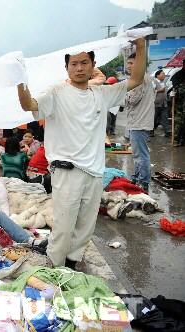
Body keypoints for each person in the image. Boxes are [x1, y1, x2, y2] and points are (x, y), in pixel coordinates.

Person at [17, 38, 147, 268]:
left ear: (92, 64)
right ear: (66, 67)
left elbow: (136, 79)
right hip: (66, 170)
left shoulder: (102, 94)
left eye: (84, 63)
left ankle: (72, 262)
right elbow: (29, 104)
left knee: (86, 224)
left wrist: (141, 46)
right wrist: (19, 80)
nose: (79, 68)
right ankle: (54, 266)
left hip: (95, 171)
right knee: (64, 225)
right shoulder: (56, 92)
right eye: (74, 64)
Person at [124, 52, 155, 192]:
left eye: (131, 63)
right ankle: (137, 177)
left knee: (141, 155)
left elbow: (131, 99)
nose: (128, 66)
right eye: (128, 63)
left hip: (139, 122)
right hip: (138, 122)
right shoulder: (142, 78)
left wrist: (121, 96)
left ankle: (143, 182)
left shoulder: (139, 79)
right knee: (138, 154)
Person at [171, 59, 185, 146]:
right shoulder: (178, 75)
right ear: (184, 65)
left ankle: (183, 139)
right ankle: (176, 140)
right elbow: (176, 89)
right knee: (179, 122)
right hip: (181, 106)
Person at [151, 70, 171, 137]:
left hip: (164, 103)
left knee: (165, 118)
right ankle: (151, 131)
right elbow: (151, 91)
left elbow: (166, 91)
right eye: (162, 73)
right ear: (158, 75)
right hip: (156, 104)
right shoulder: (154, 82)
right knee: (154, 118)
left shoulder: (164, 82)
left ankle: (167, 132)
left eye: (164, 74)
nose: (164, 75)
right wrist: (160, 90)